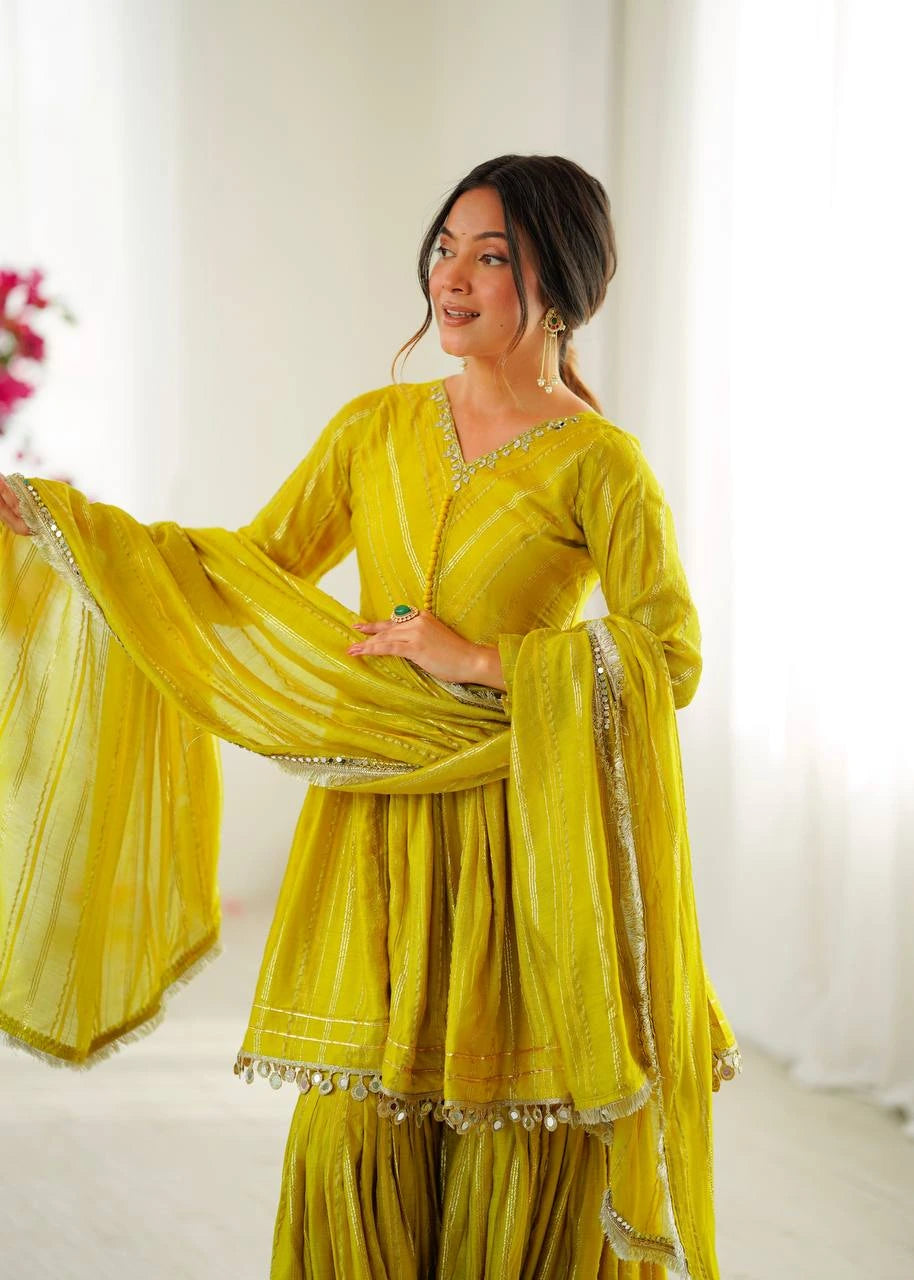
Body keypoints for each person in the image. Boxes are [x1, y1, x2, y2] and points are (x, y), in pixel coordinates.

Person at [0, 154, 740, 1280]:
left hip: (520, 833)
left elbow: (668, 654)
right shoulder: (372, 429)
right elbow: (243, 573)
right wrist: (71, 530)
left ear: (564, 279)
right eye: (444, 247)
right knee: (359, 1119)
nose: (453, 275)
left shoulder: (604, 466)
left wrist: (486, 658)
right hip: (376, 820)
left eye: (491, 255)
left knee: (515, 1119)